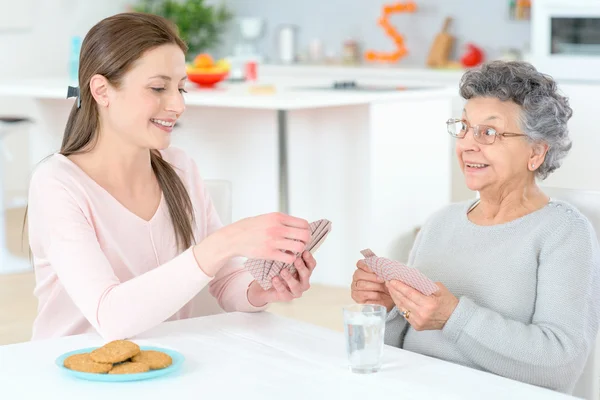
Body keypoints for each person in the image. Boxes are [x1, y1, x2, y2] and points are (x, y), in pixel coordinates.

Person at [26, 12, 317, 342]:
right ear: (102, 90)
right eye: (158, 88)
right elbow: (111, 316)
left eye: (181, 89)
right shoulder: (58, 184)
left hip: (165, 365)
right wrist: (225, 242)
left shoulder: (180, 168)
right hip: (74, 374)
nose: (177, 105)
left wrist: (263, 290)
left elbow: (224, 281)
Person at [350, 60, 600, 393]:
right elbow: (399, 349)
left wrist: (454, 317)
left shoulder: (565, 233)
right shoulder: (442, 222)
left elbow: (560, 366)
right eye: (464, 127)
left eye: (489, 132)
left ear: (536, 152)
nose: (468, 144)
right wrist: (389, 308)